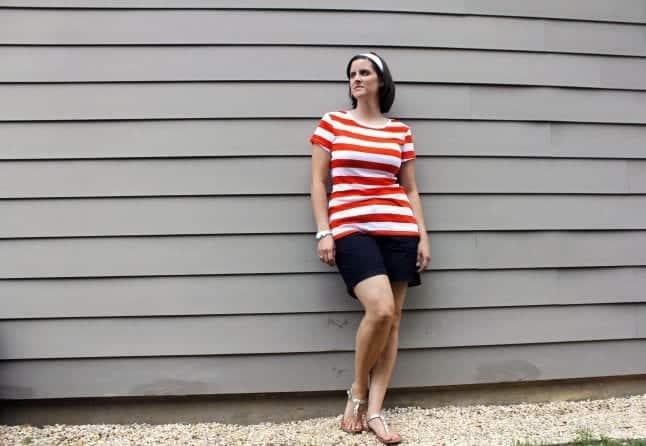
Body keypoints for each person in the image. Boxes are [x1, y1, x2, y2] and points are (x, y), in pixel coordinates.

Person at [309, 52, 431, 445]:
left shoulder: (400, 131)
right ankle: (357, 392)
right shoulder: (333, 123)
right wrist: (323, 231)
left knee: (394, 320)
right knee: (379, 309)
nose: (357, 79)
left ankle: (375, 411)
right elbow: (317, 183)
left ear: (381, 81)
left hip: (399, 227)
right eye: (352, 74)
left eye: (365, 73)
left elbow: (409, 188)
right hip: (350, 228)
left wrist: (423, 236)